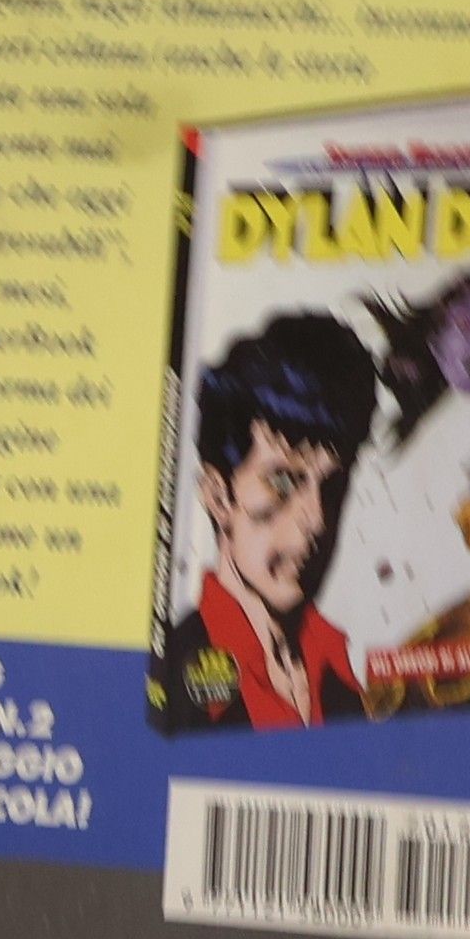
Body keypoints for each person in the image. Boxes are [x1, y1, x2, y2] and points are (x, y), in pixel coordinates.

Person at [162, 312, 378, 731]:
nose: (316, 520)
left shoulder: (336, 669)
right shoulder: (175, 678)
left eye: (332, 485)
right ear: (219, 497)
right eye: (283, 481)